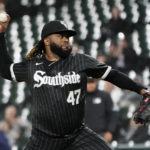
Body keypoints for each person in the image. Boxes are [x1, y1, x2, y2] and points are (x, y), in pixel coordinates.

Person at [0, 14, 149, 150]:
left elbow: (113, 75)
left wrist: (141, 90)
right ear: (46, 41)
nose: (66, 39)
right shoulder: (32, 66)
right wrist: (1, 34)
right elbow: (6, 70)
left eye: (67, 36)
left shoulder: (80, 61)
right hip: (43, 139)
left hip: (77, 135)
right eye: (60, 36)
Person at [85, 78, 118, 142]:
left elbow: (113, 114)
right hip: (84, 135)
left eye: (92, 82)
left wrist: (110, 131)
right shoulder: (80, 96)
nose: (90, 85)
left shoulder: (105, 95)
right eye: (88, 83)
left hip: (102, 134)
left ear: (96, 83)